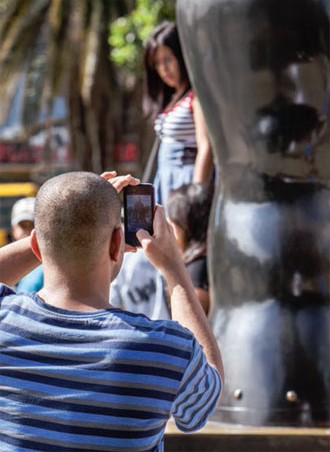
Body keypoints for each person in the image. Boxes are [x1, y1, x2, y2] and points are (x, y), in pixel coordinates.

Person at [0, 170, 224, 452]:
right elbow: (207, 396)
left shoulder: (5, 321)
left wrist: (59, 226)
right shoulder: (163, 348)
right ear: (117, 244)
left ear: (35, 245)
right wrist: (175, 269)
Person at [143, 21, 213, 206]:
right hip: (165, 181)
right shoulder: (173, 98)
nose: (163, 69)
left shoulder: (196, 97)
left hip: (186, 183)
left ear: (182, 56)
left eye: (168, 59)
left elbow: (206, 147)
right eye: (157, 63)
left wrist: (196, 198)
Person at [167, 183, 213, 315]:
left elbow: (190, 328)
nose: (168, 226)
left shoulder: (197, 273)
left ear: (186, 225)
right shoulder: (210, 259)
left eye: (172, 221)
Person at [10, 196, 43, 293]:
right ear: (14, 228)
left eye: (33, 225)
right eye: (23, 226)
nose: (29, 231)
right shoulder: (7, 260)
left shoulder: (50, 265)